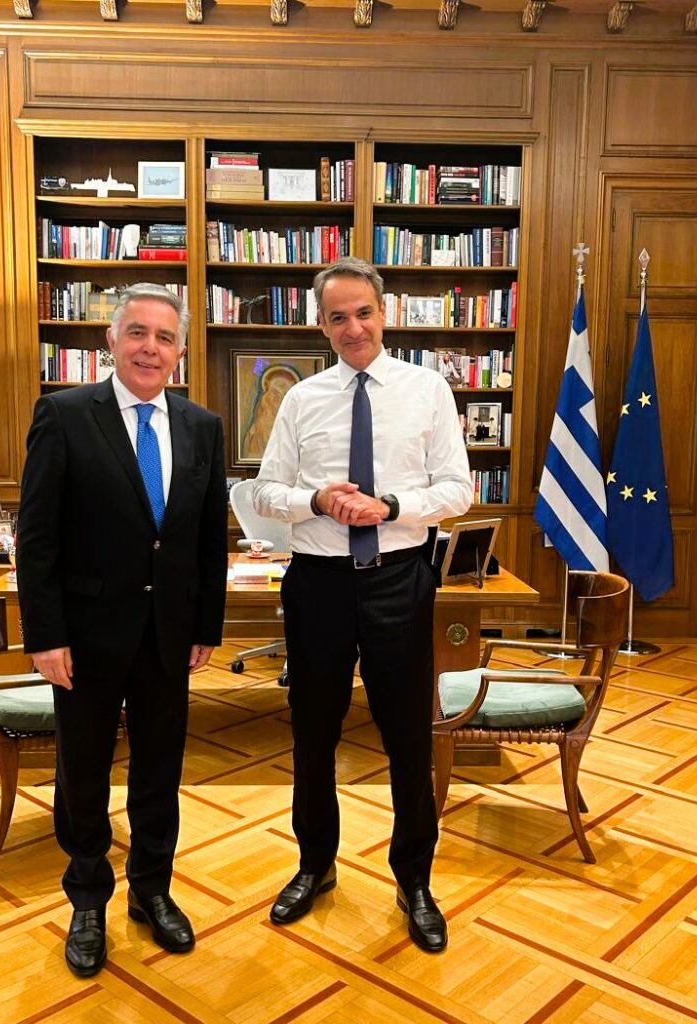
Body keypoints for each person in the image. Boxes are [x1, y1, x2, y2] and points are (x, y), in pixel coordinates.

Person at [253, 256, 472, 953]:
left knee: (407, 737)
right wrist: (316, 499)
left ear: (385, 313)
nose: (354, 327)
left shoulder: (427, 390)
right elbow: (265, 493)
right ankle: (314, 865)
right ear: (321, 325)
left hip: (398, 580)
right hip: (317, 584)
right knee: (312, 732)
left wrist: (392, 506)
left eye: (364, 313)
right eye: (338, 317)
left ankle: (415, 881)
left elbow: (458, 490)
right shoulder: (301, 399)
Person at [16, 283, 228, 978]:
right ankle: (87, 900)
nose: (149, 348)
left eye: (164, 338)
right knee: (83, 774)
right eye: (137, 332)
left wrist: (206, 624)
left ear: (180, 351)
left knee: (160, 772)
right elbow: (38, 539)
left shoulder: (201, 426)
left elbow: (208, 540)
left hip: (169, 636)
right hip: (84, 638)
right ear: (110, 341)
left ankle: (151, 891)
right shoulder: (64, 414)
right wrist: (45, 635)